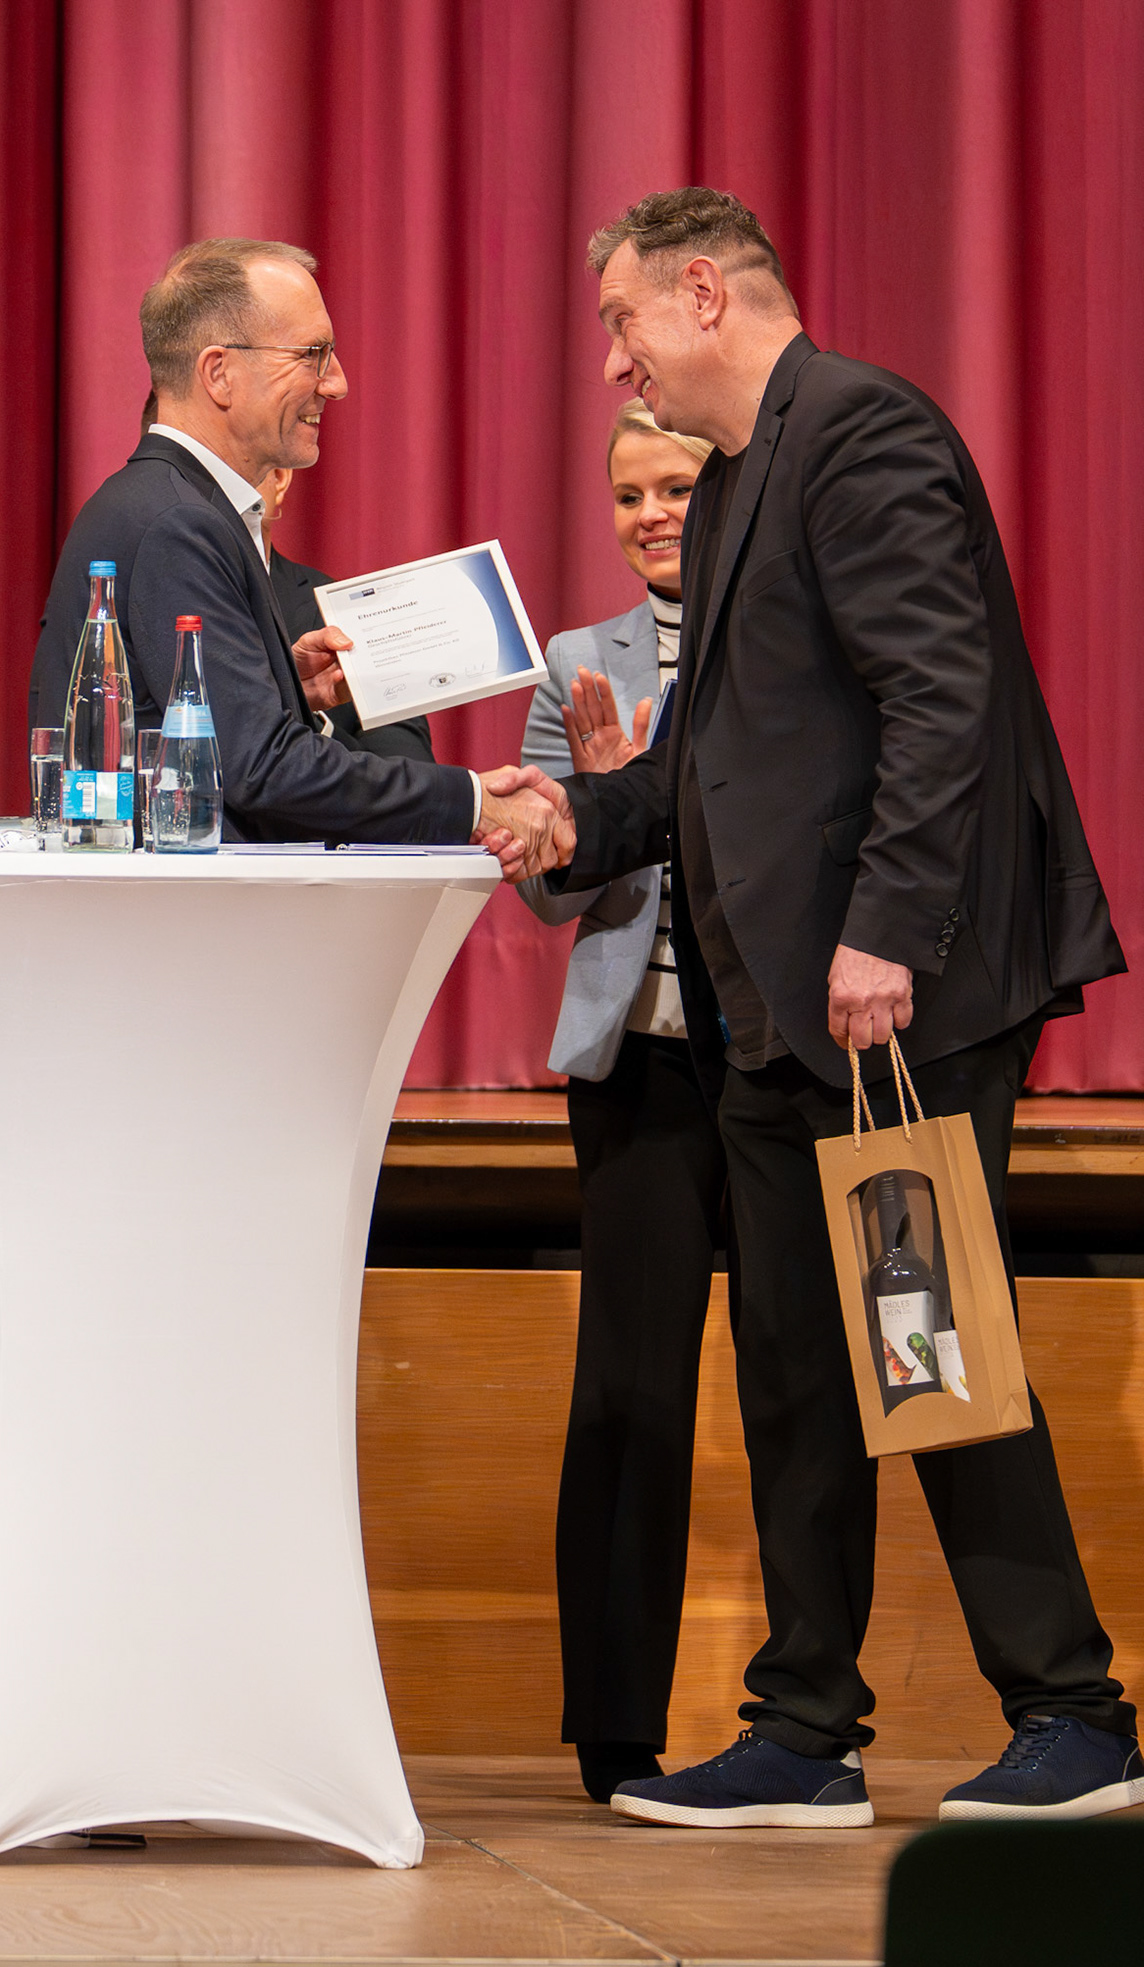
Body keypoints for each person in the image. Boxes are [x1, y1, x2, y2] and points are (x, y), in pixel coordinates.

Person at [488, 187, 1140, 1825]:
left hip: (884, 994)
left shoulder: (859, 431)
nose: (618, 357)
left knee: (926, 1337)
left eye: (625, 321)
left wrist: (889, 935)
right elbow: (720, 762)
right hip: (774, 1006)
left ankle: (1075, 1713)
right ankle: (806, 1723)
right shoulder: (728, 490)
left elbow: (947, 691)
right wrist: (586, 818)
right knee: (794, 1352)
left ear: (704, 292)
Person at [28, 237, 563, 862]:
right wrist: (474, 801)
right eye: (312, 355)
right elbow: (264, 771)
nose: (336, 383)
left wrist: (285, 692)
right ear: (219, 374)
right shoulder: (179, 522)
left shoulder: (167, 504)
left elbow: (202, 737)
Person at [516, 399, 728, 1805]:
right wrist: (596, 805)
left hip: (777, 1065)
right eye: (628, 498)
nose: (651, 515)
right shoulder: (574, 663)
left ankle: (806, 1718)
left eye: (675, 487)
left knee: (797, 1389)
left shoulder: (785, 636)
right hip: (640, 1069)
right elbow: (544, 882)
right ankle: (615, 1729)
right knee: (631, 1394)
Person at [256, 464, 436, 764]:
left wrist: (307, 722)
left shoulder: (353, 616)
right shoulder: (154, 609)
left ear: (278, 478)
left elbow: (410, 768)